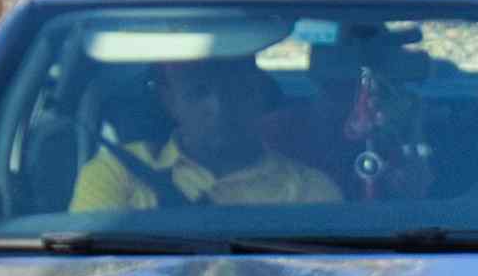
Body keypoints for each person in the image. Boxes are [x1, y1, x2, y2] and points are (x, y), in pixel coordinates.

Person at [68, 53, 340, 215]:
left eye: (235, 92)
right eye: (198, 93)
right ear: (168, 100)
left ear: (258, 92)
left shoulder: (310, 191)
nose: (219, 108)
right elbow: (86, 275)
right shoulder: (117, 174)